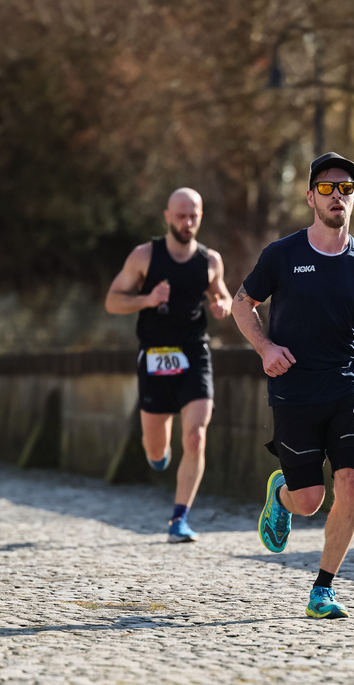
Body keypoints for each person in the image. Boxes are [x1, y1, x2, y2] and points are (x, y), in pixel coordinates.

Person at [232, 152, 354, 618]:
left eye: (345, 188)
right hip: (293, 390)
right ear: (311, 197)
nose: (337, 196)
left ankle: (323, 589)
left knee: (352, 481)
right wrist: (266, 348)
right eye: (327, 188)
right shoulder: (283, 255)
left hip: (346, 385)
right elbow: (241, 303)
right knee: (310, 501)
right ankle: (282, 495)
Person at [105, 188, 232, 542]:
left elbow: (221, 293)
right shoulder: (144, 256)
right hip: (155, 354)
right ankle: (158, 456)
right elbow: (113, 301)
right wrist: (148, 299)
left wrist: (222, 305)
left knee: (195, 435)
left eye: (194, 216)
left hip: (194, 353)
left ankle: (180, 519)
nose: (187, 223)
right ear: (167, 216)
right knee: (156, 449)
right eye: (181, 216)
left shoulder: (210, 260)